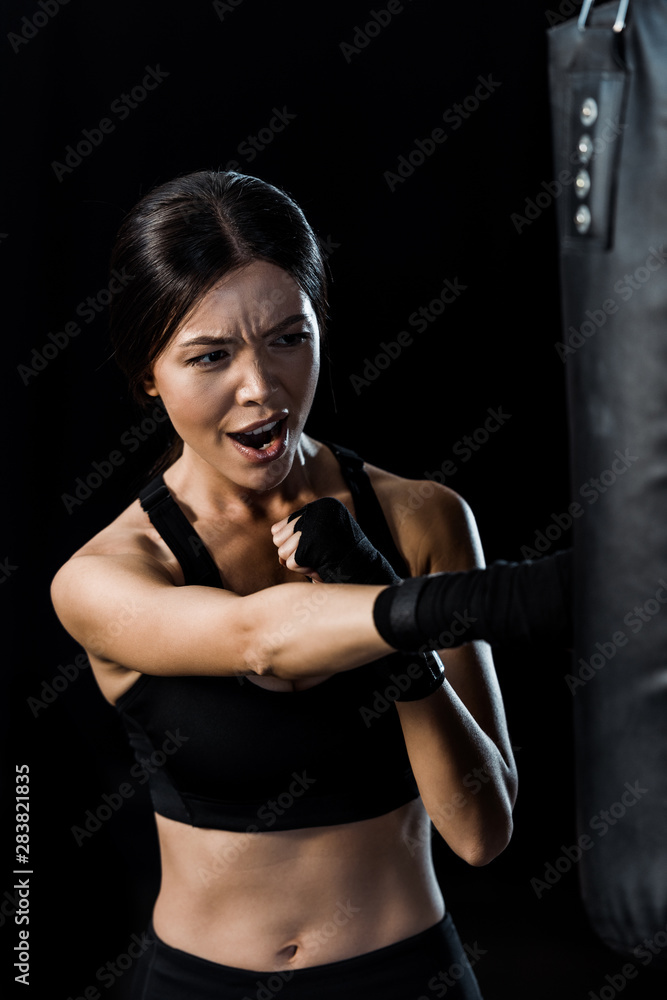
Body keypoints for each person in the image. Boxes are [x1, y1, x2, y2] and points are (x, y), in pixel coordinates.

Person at [50, 169, 518, 1000]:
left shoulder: (421, 519)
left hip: (409, 977)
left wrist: (401, 642)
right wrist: (397, 606)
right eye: (210, 356)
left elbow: (482, 832)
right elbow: (260, 642)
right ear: (147, 374)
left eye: (286, 338)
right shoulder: (105, 576)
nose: (261, 388)